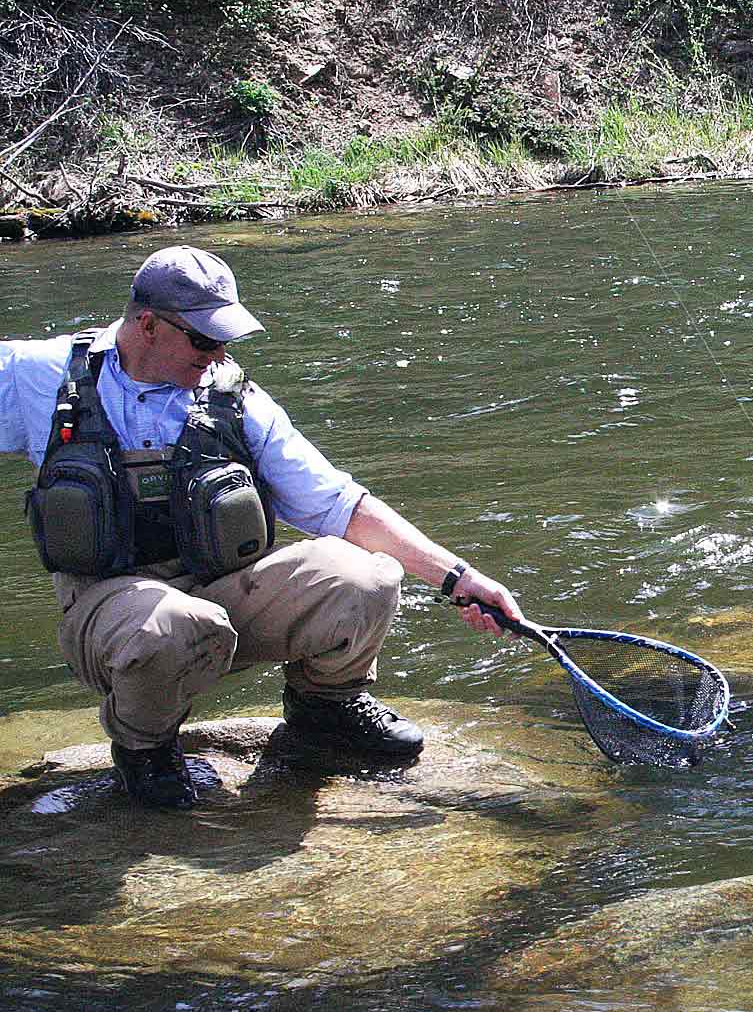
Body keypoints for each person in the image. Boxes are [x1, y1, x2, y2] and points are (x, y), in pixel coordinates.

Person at [0, 245, 523, 810]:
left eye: (225, 337)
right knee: (174, 624)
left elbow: (339, 504)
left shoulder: (236, 398)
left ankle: (326, 707)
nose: (219, 353)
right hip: (110, 612)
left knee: (365, 576)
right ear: (147, 325)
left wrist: (458, 578)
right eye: (204, 339)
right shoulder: (39, 375)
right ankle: (143, 750)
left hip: (223, 594)